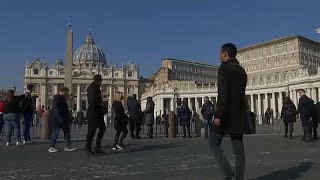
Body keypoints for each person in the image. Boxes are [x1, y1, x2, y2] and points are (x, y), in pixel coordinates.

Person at [210, 43, 247, 180]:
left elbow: (223, 92)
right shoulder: (241, 70)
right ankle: (239, 178)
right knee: (238, 149)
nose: (219, 56)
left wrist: (219, 115)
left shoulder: (224, 68)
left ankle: (228, 172)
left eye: (220, 53)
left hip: (226, 114)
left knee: (213, 143)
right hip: (239, 113)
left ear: (225, 54)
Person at [48, 87, 76, 153]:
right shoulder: (56, 98)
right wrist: (60, 119)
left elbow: (65, 109)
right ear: (62, 91)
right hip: (58, 119)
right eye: (66, 93)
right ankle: (51, 147)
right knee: (55, 133)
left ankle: (67, 146)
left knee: (67, 133)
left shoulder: (63, 98)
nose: (66, 94)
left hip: (64, 119)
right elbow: (56, 110)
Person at [85, 75, 106, 155]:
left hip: (96, 113)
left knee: (102, 128)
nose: (101, 83)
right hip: (94, 113)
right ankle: (88, 148)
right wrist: (101, 108)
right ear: (99, 81)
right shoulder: (93, 89)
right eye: (101, 81)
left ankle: (97, 146)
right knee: (91, 131)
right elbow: (93, 102)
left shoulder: (94, 88)